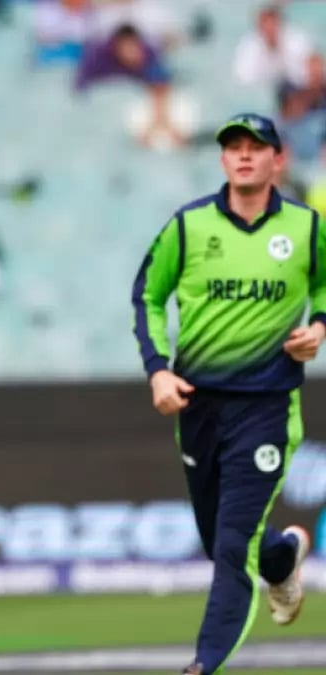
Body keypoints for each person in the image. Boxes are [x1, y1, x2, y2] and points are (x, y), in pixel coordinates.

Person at [131, 113, 319, 675]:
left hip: (266, 406)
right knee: (222, 542)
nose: (243, 155)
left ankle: (202, 666)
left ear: (277, 161)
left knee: (233, 549)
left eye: (256, 147)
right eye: (233, 147)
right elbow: (147, 296)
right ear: (222, 160)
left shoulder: (307, 228)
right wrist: (158, 370)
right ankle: (283, 558)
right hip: (198, 406)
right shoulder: (188, 228)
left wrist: (321, 326)